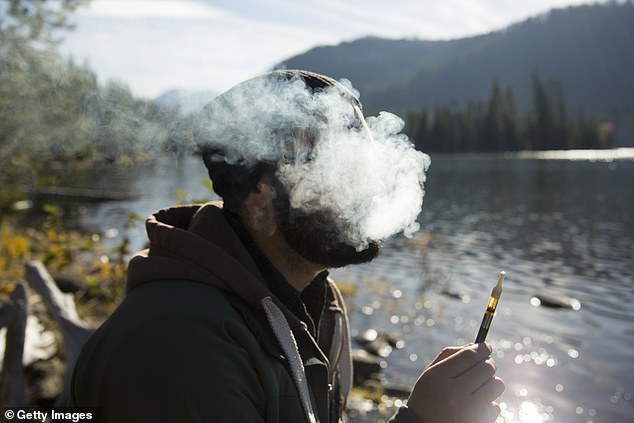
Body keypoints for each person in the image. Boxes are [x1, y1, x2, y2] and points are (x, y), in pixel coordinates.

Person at [70, 70, 504, 423]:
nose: (367, 185)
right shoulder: (178, 344)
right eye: (337, 165)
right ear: (259, 201)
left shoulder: (314, 299)